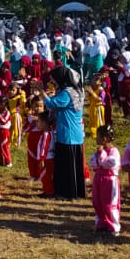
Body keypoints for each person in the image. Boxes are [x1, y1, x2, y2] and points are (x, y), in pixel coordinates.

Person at [43, 66, 86, 199]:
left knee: (66, 167)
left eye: (54, 80)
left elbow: (51, 104)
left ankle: (67, 193)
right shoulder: (76, 91)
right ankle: (73, 192)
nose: (53, 82)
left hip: (68, 134)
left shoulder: (67, 93)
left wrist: (41, 93)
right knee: (73, 166)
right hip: (74, 133)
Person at [89, 125, 121, 235]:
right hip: (99, 179)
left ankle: (113, 227)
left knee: (109, 203)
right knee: (98, 202)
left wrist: (101, 157)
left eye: (97, 136)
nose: (96, 138)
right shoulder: (98, 151)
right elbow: (93, 163)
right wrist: (99, 162)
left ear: (104, 139)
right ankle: (101, 223)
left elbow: (109, 163)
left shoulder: (114, 151)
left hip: (109, 180)